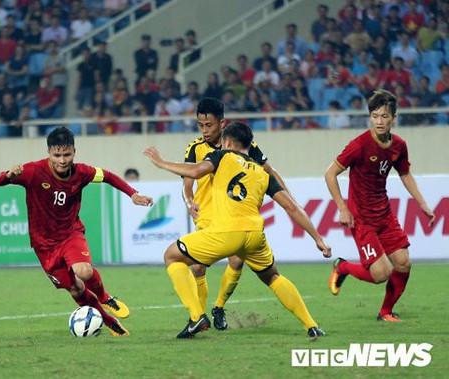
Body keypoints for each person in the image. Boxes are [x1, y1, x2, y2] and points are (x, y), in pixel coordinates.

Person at [144, 121, 331, 339]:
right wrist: (318, 238)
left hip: (227, 233)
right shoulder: (263, 173)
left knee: (172, 256)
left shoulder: (223, 156)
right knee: (273, 277)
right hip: (254, 235)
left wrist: (161, 163)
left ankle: (196, 317)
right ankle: (311, 325)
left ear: (228, 142)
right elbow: (291, 207)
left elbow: (195, 171)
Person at [0, 126, 153, 336]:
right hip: (43, 245)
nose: (62, 160)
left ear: (74, 152)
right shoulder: (32, 171)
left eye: (66, 154)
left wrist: (132, 194)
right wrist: (8, 174)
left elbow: (108, 176)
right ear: (49, 153)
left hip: (70, 234)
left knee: (83, 271)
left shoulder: (82, 173)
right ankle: (108, 321)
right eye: (56, 155)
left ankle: (105, 297)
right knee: (75, 289)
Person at [325, 89, 436, 322]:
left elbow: (405, 174)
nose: (379, 121)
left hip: (384, 215)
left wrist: (423, 204)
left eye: (384, 116)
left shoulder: (399, 146)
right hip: (361, 218)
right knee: (381, 273)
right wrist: (342, 208)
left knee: (404, 263)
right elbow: (330, 174)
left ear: (394, 118)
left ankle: (385, 312)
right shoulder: (359, 145)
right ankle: (343, 267)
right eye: (375, 116)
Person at [182, 98, 293, 331]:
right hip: (207, 215)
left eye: (209, 125)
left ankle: (219, 306)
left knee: (236, 260)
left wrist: (288, 198)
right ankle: (198, 317)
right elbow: (187, 183)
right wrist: (189, 202)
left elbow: (269, 172)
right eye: (200, 125)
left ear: (221, 123)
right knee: (198, 267)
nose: (204, 131)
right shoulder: (194, 148)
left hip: (234, 215)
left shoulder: (244, 145)